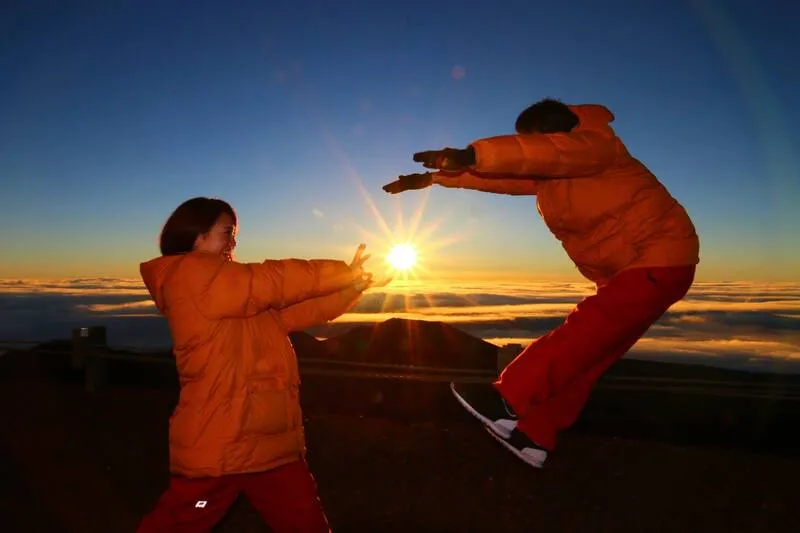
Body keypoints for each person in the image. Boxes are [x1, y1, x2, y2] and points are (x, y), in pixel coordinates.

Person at [383, 99, 699, 468]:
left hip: (658, 258)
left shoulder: (595, 147)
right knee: (588, 359)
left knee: (586, 330)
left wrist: (472, 153)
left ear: (551, 132)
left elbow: (541, 153)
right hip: (640, 269)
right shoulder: (555, 173)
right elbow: (508, 174)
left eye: (530, 139)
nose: (531, 147)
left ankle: (508, 398)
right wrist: (437, 178)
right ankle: (535, 436)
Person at [136, 197, 385, 532]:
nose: (233, 242)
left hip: (268, 446)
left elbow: (294, 312)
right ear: (197, 236)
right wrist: (340, 271)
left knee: (305, 524)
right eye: (227, 232)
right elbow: (270, 281)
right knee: (183, 519)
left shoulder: (227, 290)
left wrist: (352, 285)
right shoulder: (192, 275)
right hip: (221, 449)